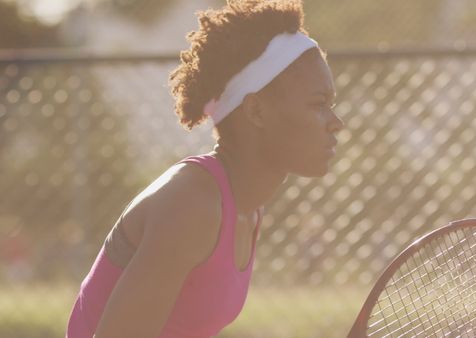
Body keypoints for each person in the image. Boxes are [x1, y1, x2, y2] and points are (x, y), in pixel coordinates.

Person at [65, 0, 344, 337]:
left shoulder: (244, 206)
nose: (336, 123)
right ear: (256, 111)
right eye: (318, 104)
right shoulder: (192, 204)